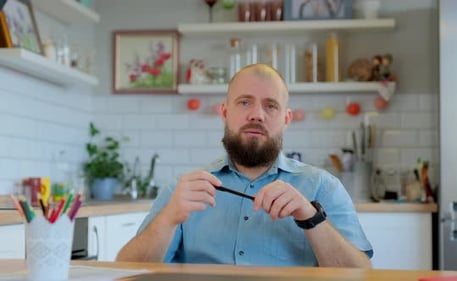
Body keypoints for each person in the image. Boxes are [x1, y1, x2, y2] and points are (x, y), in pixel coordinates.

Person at [116, 63, 373, 267]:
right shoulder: (184, 190)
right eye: (244, 102)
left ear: (286, 119)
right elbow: (126, 270)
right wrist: (168, 218)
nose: (256, 114)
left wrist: (310, 217)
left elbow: (360, 276)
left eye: (270, 105)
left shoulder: (323, 188)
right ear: (225, 112)